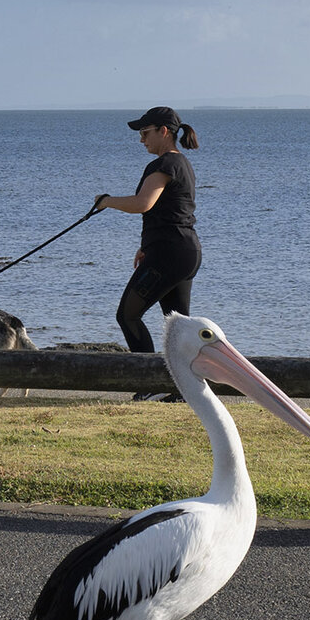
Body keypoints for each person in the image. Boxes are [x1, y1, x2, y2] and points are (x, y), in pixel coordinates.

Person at [94, 106, 202, 400]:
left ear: (163, 131)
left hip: (170, 254)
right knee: (177, 326)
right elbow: (169, 211)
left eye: (145, 133)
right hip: (183, 252)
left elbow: (144, 203)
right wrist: (145, 247)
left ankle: (150, 383)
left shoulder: (165, 164)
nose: (141, 139)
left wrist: (106, 201)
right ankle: (183, 390)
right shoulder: (182, 164)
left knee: (128, 315)